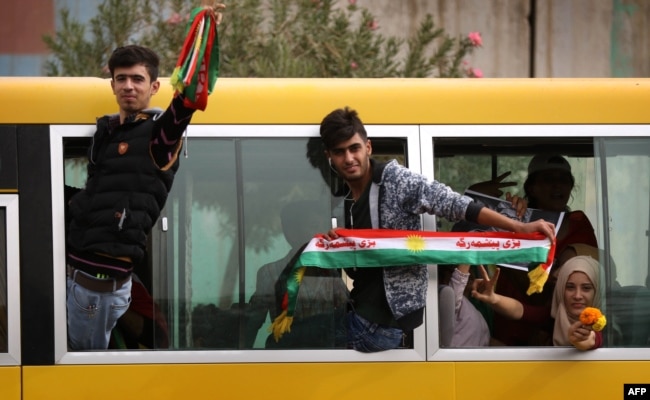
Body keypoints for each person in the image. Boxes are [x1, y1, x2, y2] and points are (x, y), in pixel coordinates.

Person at [319, 107, 555, 352]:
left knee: (289, 340)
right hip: (361, 311)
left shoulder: (394, 180)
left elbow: (454, 203)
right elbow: (365, 268)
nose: (348, 158)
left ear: (368, 147)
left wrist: (519, 227)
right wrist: (341, 245)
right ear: (329, 156)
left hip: (379, 326)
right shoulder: (349, 199)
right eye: (339, 152)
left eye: (354, 148)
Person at [65, 3, 225, 351]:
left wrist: (205, 34)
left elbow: (185, 103)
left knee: (82, 375)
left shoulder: (158, 137)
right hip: (77, 270)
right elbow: (98, 194)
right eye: (121, 78)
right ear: (112, 84)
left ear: (154, 86)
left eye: (137, 79)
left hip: (98, 283)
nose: (128, 86)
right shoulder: (106, 134)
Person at [470, 154, 599, 346]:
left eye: (563, 180)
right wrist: (476, 198)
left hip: (555, 323)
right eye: (548, 180)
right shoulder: (514, 218)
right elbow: (467, 233)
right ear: (531, 188)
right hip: (509, 325)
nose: (557, 186)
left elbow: (577, 282)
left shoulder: (578, 224)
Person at [246, 201, 349, 348]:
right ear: (292, 232)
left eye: (322, 228)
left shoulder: (330, 272)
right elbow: (254, 321)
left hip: (326, 356)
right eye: (314, 227)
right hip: (287, 356)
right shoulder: (270, 273)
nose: (322, 235)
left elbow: (348, 314)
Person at [551, 255, 602, 350]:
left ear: (598, 292)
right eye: (570, 287)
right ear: (560, 289)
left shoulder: (610, 328)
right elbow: (521, 311)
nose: (577, 296)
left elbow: (592, 339)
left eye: (586, 288)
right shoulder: (549, 321)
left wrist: (583, 340)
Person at [438, 264, 490, 347]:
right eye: (453, 269)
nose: (469, 273)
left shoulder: (474, 304)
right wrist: (468, 254)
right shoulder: (445, 299)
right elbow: (458, 281)